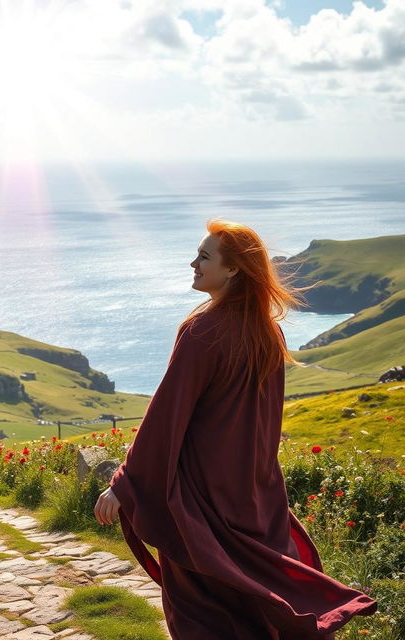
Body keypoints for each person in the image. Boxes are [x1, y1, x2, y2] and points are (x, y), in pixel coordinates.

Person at [94, 219, 377, 639]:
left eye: (204, 257)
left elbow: (165, 416)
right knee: (259, 607)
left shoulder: (201, 331)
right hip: (254, 494)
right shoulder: (269, 331)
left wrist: (124, 483)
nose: (193, 263)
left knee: (201, 614)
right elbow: (265, 420)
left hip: (201, 501)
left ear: (232, 270)